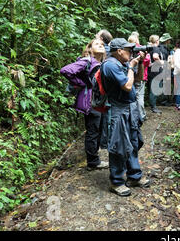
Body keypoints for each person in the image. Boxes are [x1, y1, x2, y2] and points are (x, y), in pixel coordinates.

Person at [101, 38, 149, 197]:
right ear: (119, 51)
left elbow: (138, 79)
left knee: (134, 142)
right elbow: (127, 86)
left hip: (130, 108)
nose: (131, 52)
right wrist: (131, 65)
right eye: (128, 49)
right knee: (119, 145)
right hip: (118, 109)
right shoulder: (110, 65)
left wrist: (140, 63)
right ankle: (116, 182)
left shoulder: (122, 64)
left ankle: (134, 176)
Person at [60, 38, 108, 171]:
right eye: (97, 44)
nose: (101, 46)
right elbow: (66, 70)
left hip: (100, 101)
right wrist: (82, 83)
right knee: (93, 131)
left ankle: (94, 158)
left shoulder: (102, 62)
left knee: (98, 130)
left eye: (102, 44)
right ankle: (93, 162)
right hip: (91, 101)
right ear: (90, 49)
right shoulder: (86, 61)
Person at [128, 31, 147, 121]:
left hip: (138, 76)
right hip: (130, 78)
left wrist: (141, 60)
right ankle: (140, 116)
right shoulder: (127, 54)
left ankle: (138, 116)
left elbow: (145, 62)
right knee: (139, 97)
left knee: (138, 97)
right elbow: (148, 62)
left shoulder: (139, 51)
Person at [147, 34, 164, 114]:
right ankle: (153, 107)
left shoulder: (149, 47)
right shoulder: (155, 48)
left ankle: (152, 105)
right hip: (156, 71)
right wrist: (161, 62)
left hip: (150, 71)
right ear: (157, 41)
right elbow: (155, 57)